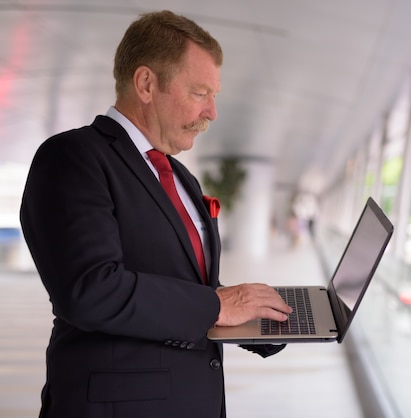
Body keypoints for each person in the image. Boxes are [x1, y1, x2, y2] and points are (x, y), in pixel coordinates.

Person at [19, 10, 292, 418]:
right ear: (146, 84)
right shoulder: (73, 157)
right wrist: (219, 306)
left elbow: (187, 284)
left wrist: (261, 319)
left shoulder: (180, 175)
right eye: (200, 93)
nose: (212, 112)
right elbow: (91, 290)